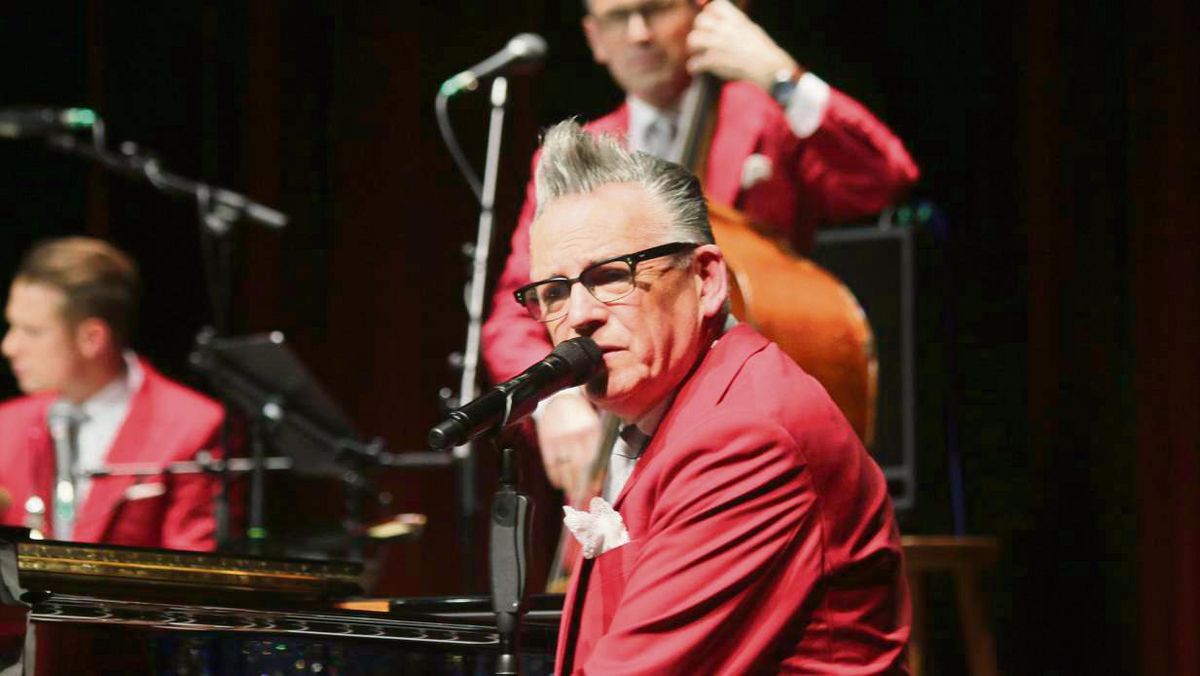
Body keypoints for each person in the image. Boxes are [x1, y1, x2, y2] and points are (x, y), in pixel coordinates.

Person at [484, 0, 920, 498]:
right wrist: (550, 402)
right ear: (594, 38)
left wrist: (780, 76)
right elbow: (514, 308)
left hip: (753, 432)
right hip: (622, 452)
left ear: (705, 13)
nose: (640, 34)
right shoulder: (574, 158)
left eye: (657, 9)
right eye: (618, 18)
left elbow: (883, 179)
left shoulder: (768, 119)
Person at [524, 120, 908, 673]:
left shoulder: (746, 436)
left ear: (705, 280)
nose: (578, 315)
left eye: (610, 276)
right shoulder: (668, 411)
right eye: (554, 292)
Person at [0, 237, 223, 551]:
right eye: (12, 326)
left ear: (92, 338)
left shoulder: (193, 426)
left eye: (32, 331)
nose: (9, 347)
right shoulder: (6, 423)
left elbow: (192, 575)